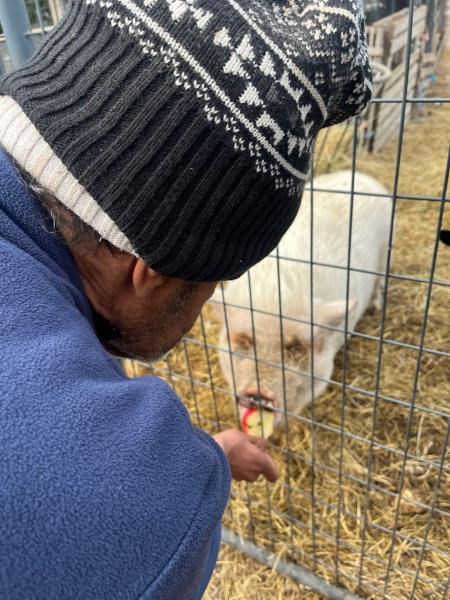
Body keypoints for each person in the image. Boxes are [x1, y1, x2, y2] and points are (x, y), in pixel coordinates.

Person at [0, 0, 371, 598]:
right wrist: (188, 475)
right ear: (153, 271)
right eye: (215, 282)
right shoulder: (136, 510)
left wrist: (212, 456)